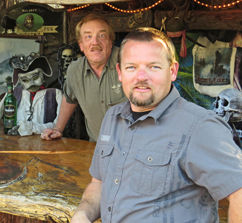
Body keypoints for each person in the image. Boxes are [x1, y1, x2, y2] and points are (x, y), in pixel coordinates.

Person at [71, 27, 242, 222]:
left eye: (153, 67)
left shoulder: (199, 126)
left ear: (173, 71)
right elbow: (99, 183)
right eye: (131, 67)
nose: (141, 77)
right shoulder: (112, 117)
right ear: (120, 72)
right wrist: (82, 215)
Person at [41, 14, 127, 142]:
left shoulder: (129, 64)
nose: (95, 42)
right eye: (88, 37)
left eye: (101, 35)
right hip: (97, 148)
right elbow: (70, 98)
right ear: (81, 45)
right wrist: (58, 128)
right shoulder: (75, 70)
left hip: (133, 148)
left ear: (110, 42)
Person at [0, 52, 63, 136]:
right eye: (25, 80)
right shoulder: (14, 92)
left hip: (44, 141)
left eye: (35, 77)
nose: (31, 83)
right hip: (16, 141)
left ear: (42, 74)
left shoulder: (56, 94)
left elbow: (58, 125)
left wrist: (32, 128)